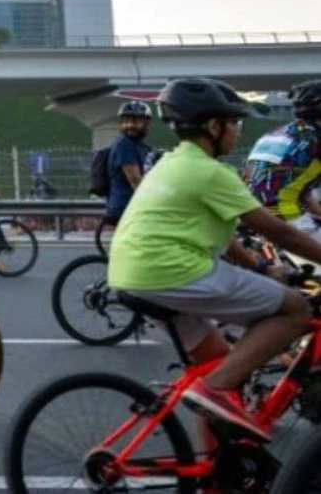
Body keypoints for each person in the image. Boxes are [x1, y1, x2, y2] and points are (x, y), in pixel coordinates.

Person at [108, 77, 321, 441]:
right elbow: (281, 234)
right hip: (172, 272)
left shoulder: (171, 163)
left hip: (132, 272)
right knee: (295, 310)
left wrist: (260, 267)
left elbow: (224, 237)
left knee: (217, 361)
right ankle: (216, 391)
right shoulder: (211, 173)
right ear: (213, 126)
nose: (238, 131)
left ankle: (215, 476)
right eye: (234, 122)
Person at [244, 79, 321, 242]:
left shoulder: (279, 133)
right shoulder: (315, 138)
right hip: (286, 219)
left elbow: (296, 190)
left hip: (252, 217)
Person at [104, 100, 157, 230]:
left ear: (147, 123)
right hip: (126, 209)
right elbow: (135, 181)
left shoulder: (145, 148)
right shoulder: (124, 145)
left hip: (134, 207)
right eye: (125, 121)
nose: (129, 125)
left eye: (135, 121)